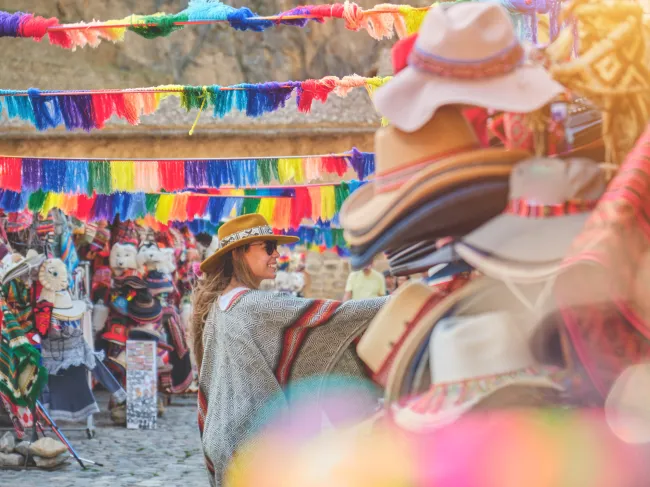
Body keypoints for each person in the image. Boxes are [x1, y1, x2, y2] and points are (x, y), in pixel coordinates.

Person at [190, 214, 387, 487]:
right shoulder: (254, 306)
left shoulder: (217, 307)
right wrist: (404, 301)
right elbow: (337, 318)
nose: (277, 254)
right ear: (238, 253)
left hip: (224, 439)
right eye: (268, 247)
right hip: (254, 443)